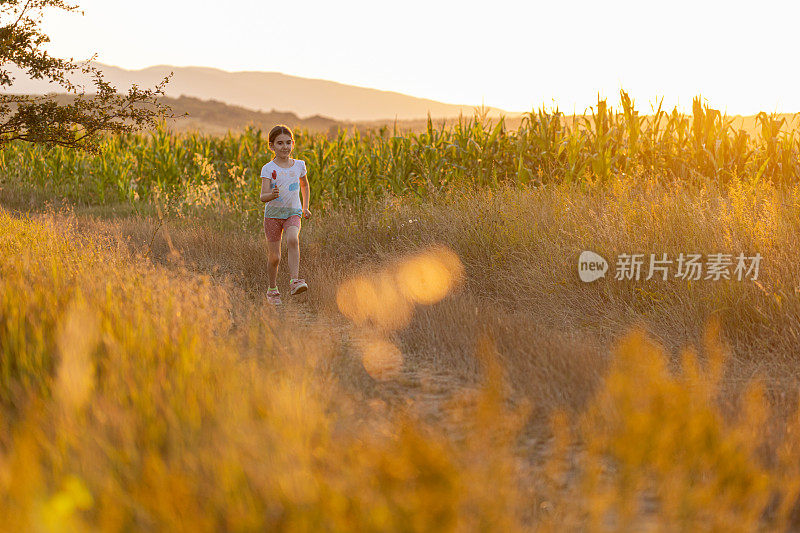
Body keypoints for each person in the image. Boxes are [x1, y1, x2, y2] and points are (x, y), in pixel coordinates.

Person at [259, 125, 312, 305]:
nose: (285, 147)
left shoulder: (299, 165)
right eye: (280, 143)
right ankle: (272, 289)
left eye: (288, 143)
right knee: (275, 258)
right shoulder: (268, 168)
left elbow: (304, 185)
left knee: (293, 240)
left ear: (293, 144)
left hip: (293, 213)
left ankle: (294, 281)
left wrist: (305, 207)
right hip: (273, 215)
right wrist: (271, 195)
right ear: (271, 146)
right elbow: (262, 196)